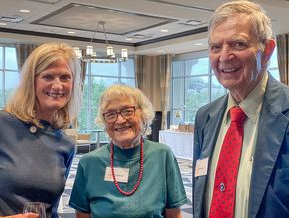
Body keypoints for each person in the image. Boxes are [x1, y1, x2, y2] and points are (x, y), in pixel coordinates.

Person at [192, 1, 289, 218]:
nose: (224, 57)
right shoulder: (204, 117)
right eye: (215, 47)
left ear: (267, 50)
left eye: (238, 44)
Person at [69, 84, 187, 218]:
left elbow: (174, 214)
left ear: (143, 114)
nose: (119, 120)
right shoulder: (89, 163)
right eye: (111, 114)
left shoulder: (163, 156)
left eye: (127, 111)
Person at [0, 42, 82, 217]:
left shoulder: (66, 144)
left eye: (65, 77)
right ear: (32, 81)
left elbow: (51, 209)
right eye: (48, 76)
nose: (58, 86)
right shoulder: (2, 124)